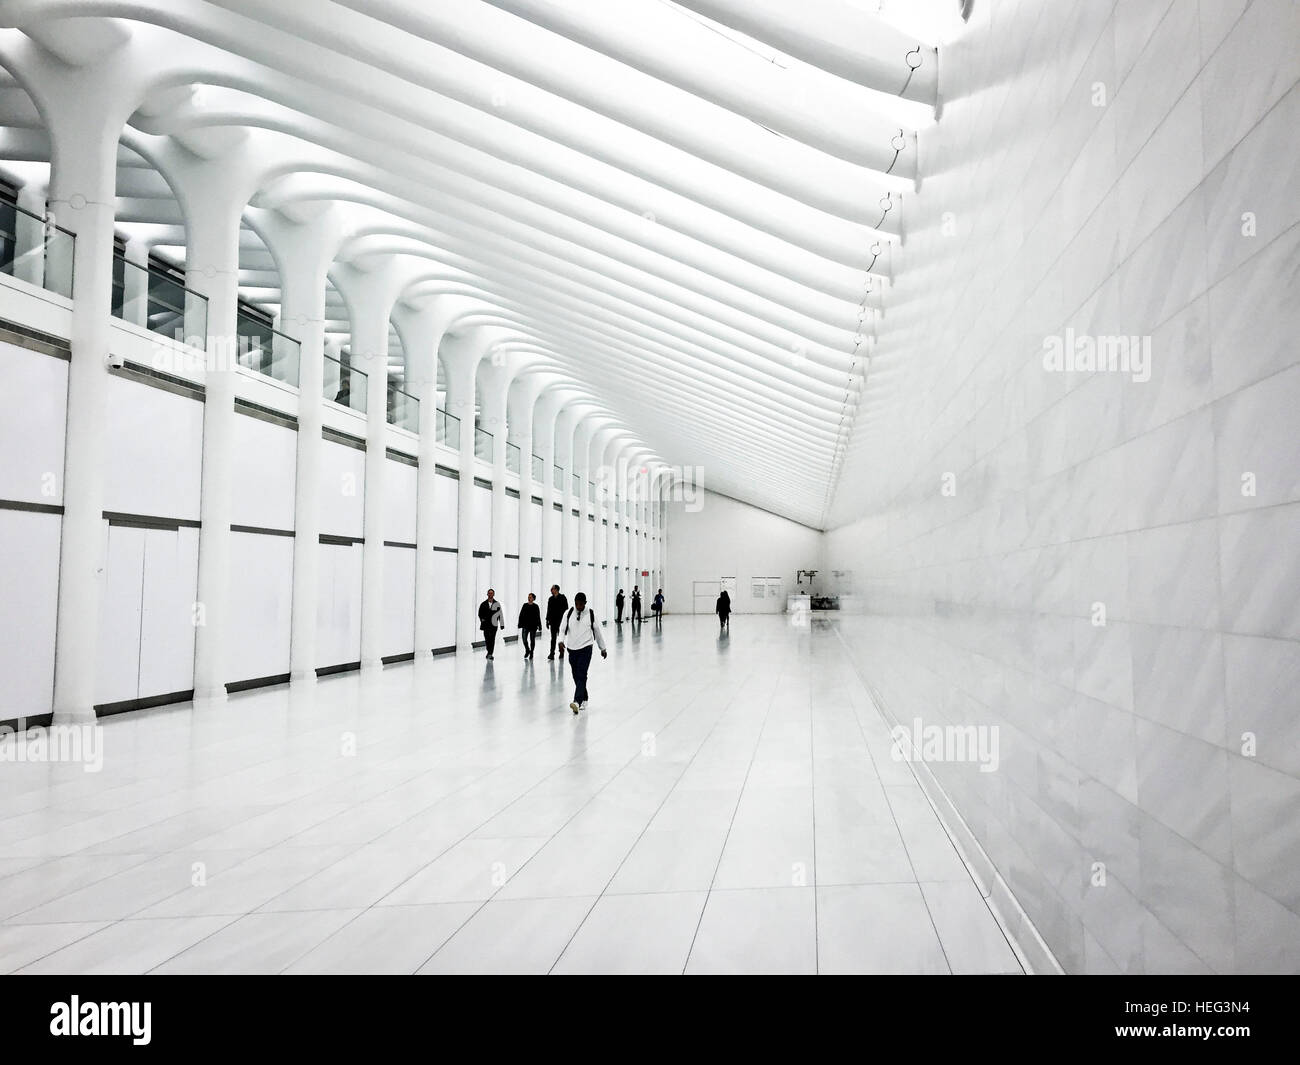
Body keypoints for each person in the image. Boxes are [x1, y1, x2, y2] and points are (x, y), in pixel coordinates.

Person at [557, 591, 606, 714]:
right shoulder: (568, 613)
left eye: (581, 604)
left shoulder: (590, 614)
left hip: (586, 648)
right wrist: (561, 641)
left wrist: (602, 648)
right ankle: (584, 697)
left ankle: (577, 701)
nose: (579, 607)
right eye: (577, 604)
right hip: (572, 649)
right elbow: (562, 629)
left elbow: (598, 632)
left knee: (582, 673)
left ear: (585, 603)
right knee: (576, 675)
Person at [478, 588, 504, 659]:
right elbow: (480, 613)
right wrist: (482, 619)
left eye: (492, 593)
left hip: (494, 625)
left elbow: (500, 614)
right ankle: (489, 651)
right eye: (489, 593)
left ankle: (490, 653)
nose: (490, 594)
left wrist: (502, 624)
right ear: (487, 594)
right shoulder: (483, 604)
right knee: (487, 639)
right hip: (486, 624)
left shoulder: (497, 604)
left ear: (494, 594)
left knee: (492, 639)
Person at [545, 584, 569, 660]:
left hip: (561, 621)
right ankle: (552, 653)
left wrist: (566, 621)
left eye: (552, 589)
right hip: (553, 621)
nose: (551, 590)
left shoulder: (563, 597)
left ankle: (561, 651)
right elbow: (548, 610)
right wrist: (547, 620)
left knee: (561, 637)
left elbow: (566, 609)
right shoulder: (550, 599)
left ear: (556, 589)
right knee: (553, 638)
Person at [518, 592, 542, 659]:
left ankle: (531, 653)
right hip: (525, 625)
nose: (529, 598)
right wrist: (520, 623)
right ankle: (527, 650)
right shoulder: (525, 605)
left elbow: (538, 616)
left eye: (530, 597)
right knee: (524, 639)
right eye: (528, 597)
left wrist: (540, 625)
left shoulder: (536, 606)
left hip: (533, 626)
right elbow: (521, 615)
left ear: (533, 598)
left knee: (532, 640)